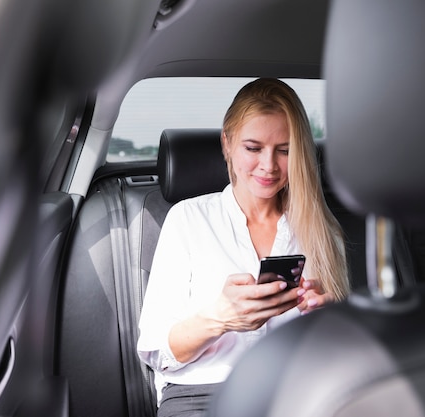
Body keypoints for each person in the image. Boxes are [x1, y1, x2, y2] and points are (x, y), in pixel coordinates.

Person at [137, 78, 350, 417]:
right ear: (228, 144)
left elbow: (343, 352)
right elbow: (157, 351)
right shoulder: (189, 220)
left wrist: (330, 316)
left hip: (297, 392)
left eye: (285, 150)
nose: (269, 166)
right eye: (253, 148)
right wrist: (221, 318)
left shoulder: (321, 231)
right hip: (203, 396)